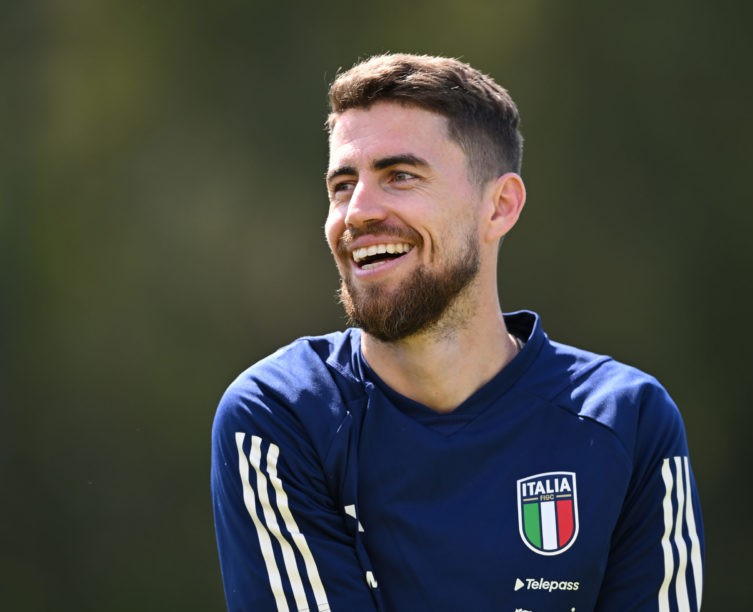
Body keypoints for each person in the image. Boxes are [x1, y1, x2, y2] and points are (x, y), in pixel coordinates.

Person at [211, 53, 705, 611]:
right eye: (343, 185)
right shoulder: (282, 415)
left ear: (499, 207)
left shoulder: (628, 421)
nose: (357, 213)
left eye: (400, 176)